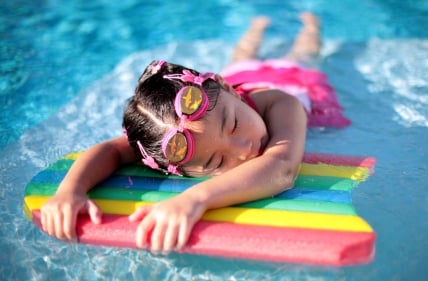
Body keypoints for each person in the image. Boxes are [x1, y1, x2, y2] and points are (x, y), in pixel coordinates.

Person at [41, 13, 324, 253]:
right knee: (244, 61)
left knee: (299, 53)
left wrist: (194, 199)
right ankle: (259, 28)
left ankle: (301, 26)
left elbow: (283, 169)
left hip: (293, 76)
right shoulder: (184, 135)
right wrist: (70, 192)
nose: (245, 149)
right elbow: (114, 150)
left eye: (235, 124)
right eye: (216, 163)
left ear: (226, 88)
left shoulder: (281, 103)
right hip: (229, 93)